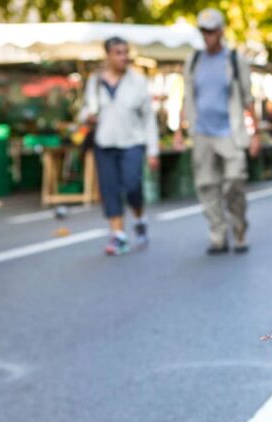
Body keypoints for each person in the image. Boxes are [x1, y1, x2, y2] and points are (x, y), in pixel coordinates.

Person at [172, 8, 260, 255]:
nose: (207, 35)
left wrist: (255, 134)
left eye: (211, 31)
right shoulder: (194, 60)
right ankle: (218, 234)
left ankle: (239, 227)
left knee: (235, 181)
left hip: (230, 133)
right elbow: (187, 97)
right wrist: (179, 130)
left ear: (221, 31)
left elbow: (247, 98)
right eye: (203, 31)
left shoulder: (234, 60)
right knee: (206, 184)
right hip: (201, 133)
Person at [78, 37, 159, 256]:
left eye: (126, 52)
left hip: (132, 141)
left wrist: (153, 150)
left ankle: (140, 218)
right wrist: (88, 116)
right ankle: (118, 235)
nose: (124, 57)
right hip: (105, 142)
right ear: (108, 56)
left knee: (132, 186)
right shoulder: (95, 81)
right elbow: (85, 110)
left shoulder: (138, 81)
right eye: (118, 53)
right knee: (110, 189)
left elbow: (148, 118)